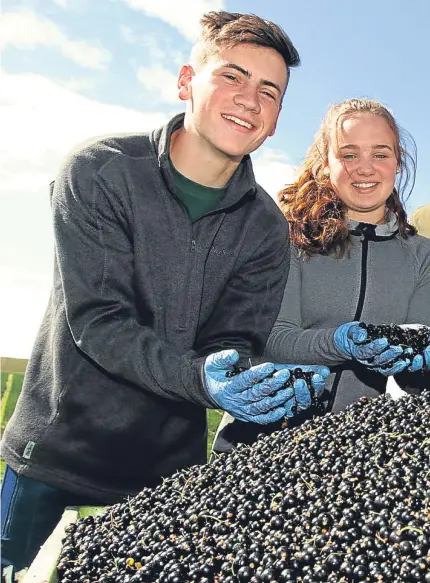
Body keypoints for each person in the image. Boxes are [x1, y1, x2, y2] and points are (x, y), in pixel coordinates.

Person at [0, 10, 329, 574]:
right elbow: (99, 321)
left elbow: (233, 339)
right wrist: (200, 376)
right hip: (56, 459)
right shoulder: (99, 171)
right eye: (232, 76)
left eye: (269, 92)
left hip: (166, 476)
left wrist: (261, 378)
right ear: (186, 81)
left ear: (276, 121)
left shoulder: (268, 229)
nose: (249, 99)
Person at [213, 97, 430, 454]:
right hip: (260, 444)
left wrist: (420, 354)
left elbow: (413, 375)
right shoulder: (284, 236)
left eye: (380, 154)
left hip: (350, 452)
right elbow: (271, 339)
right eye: (348, 154)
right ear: (325, 162)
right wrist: (341, 342)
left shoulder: (421, 255)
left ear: (397, 162)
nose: (365, 168)